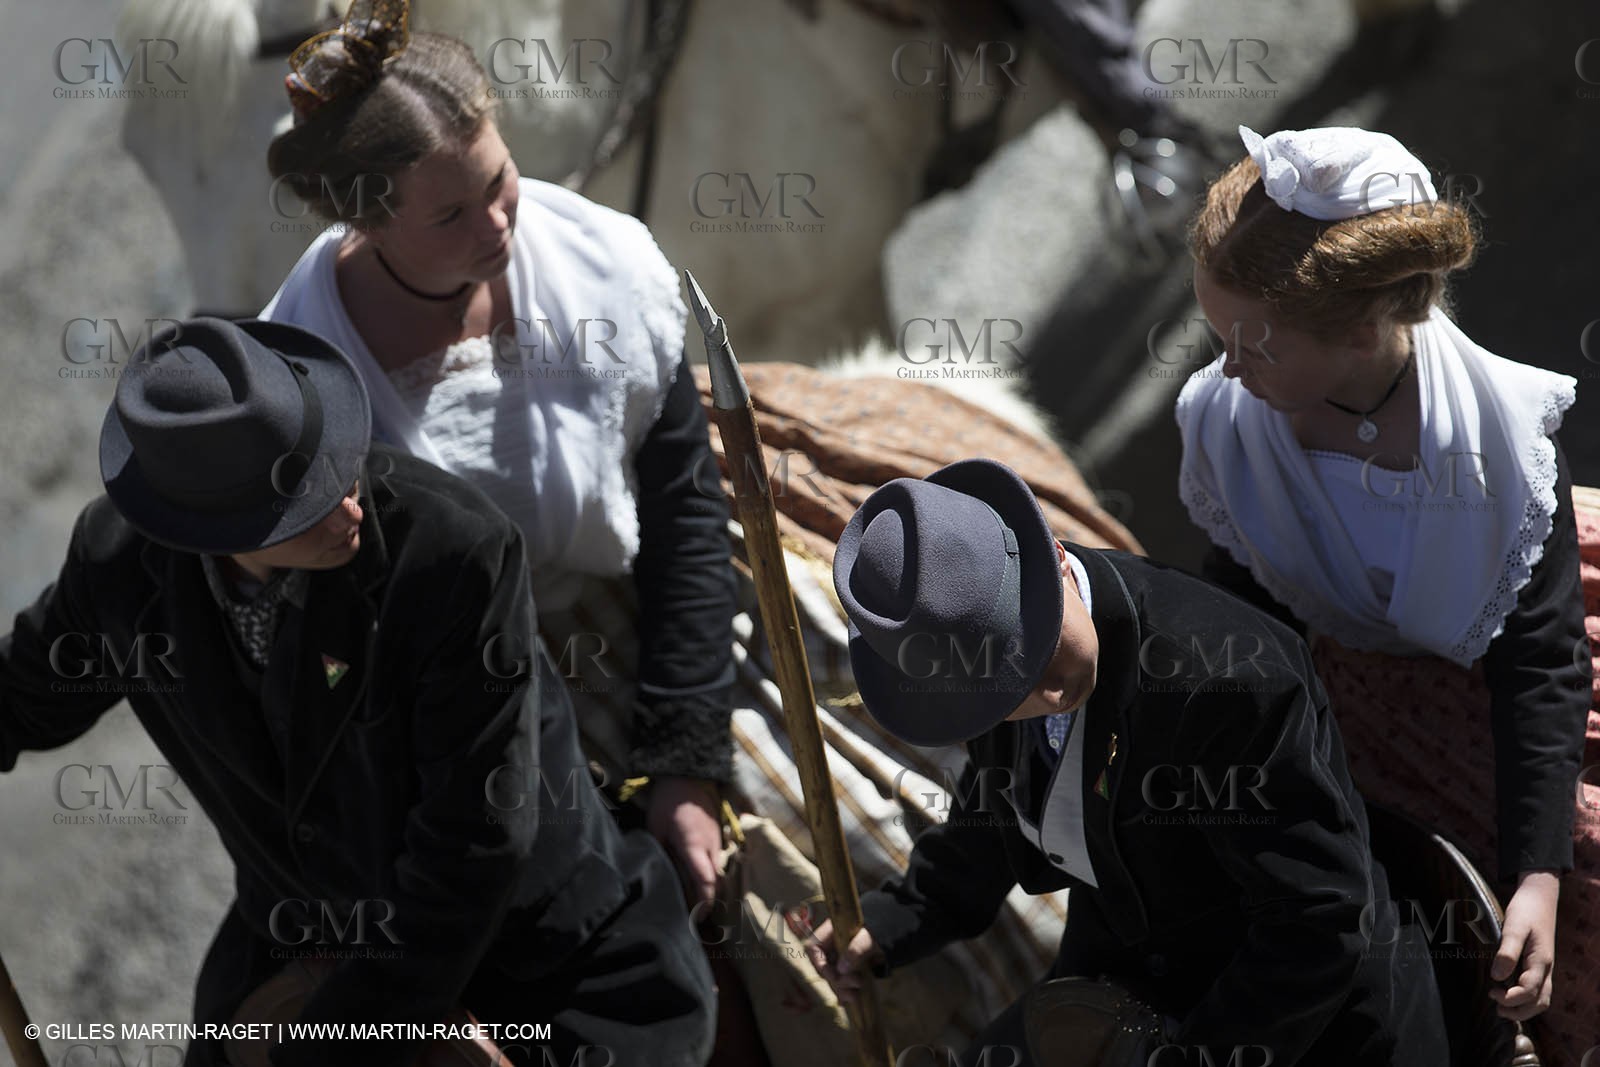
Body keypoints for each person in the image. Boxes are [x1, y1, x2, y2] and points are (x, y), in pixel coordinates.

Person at [0, 318, 714, 1067]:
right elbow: (20, 697)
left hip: (533, 961)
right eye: (304, 503)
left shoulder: (453, 553)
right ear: (206, 527)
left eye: (338, 466)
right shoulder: (117, 567)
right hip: (304, 938)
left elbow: (471, 842)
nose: (350, 507)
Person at [259, 0, 737, 907]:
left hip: (661, 634)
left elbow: (683, 504)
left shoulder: (603, 267)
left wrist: (686, 758)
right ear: (367, 223)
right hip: (467, 728)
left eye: (499, 180)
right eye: (450, 215)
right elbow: (331, 657)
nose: (496, 227)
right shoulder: (309, 384)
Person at [1175, 125, 1597, 1062]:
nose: (1227, 368)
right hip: (1351, 691)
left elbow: (1539, 665)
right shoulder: (1233, 422)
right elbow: (1249, 600)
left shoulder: (1497, 453)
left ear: (1363, 332)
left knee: (1572, 906)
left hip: (1493, 692)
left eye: (1253, 346)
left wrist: (1538, 877)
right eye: (1218, 339)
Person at [806, 457, 1448, 1066]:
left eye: (1033, 648)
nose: (1044, 691)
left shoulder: (1226, 682)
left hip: (1297, 1022)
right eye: (1000, 690)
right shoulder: (984, 688)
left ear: (1054, 558)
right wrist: (893, 920)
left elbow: (1320, 920)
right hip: (1125, 983)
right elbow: (996, 812)